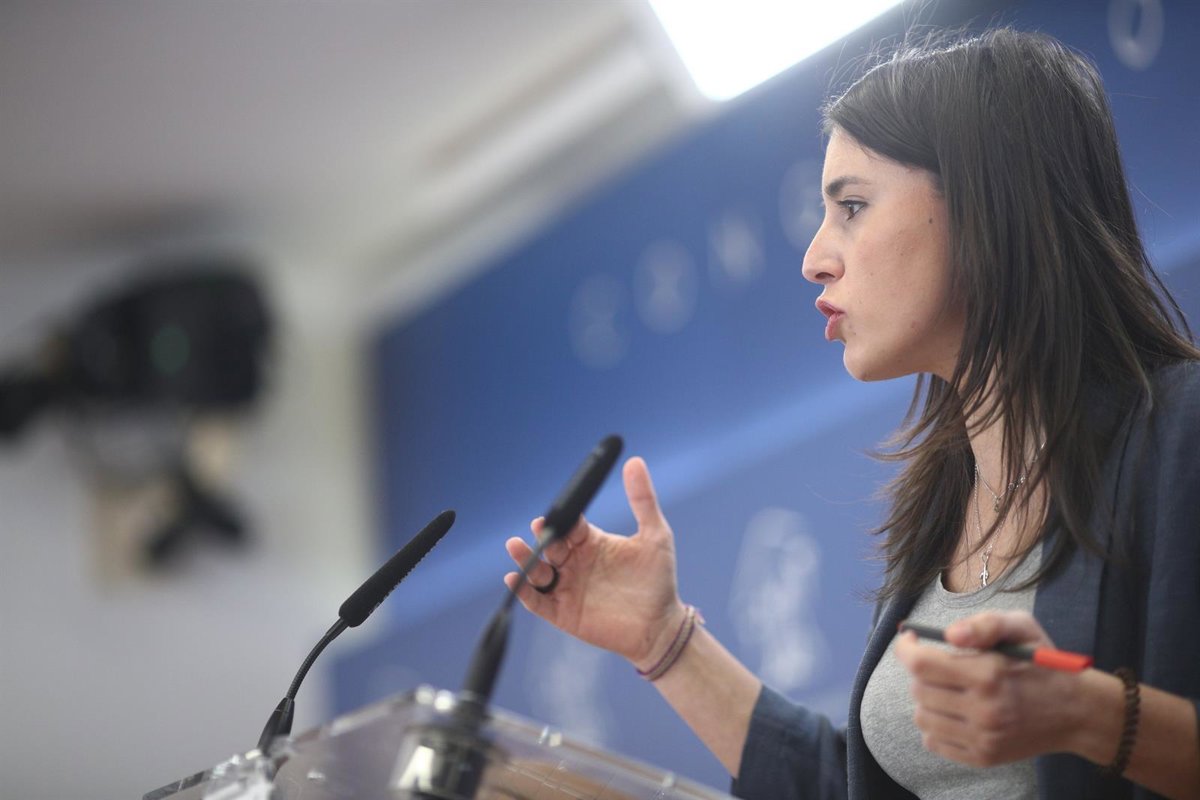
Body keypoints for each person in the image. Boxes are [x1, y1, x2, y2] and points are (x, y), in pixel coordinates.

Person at [503, 27, 1200, 800]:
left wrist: (1087, 715)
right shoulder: (944, 500)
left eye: (854, 207)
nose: (814, 259)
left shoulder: (1182, 432)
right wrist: (662, 638)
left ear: (988, 204)